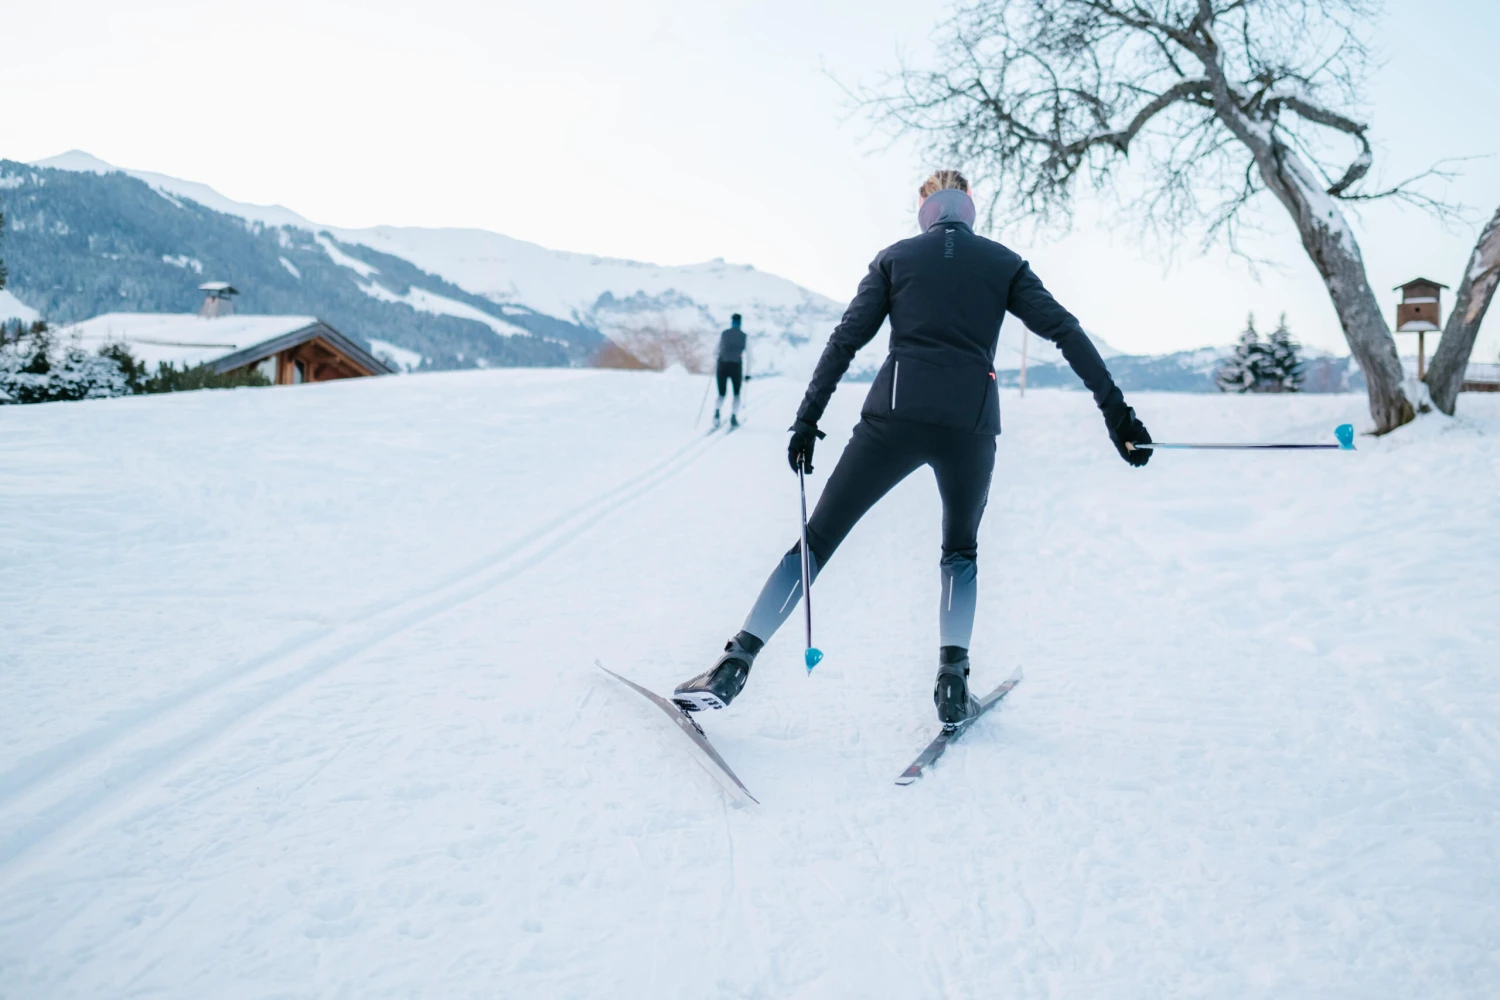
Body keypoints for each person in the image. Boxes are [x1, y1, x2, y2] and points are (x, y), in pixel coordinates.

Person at [673, 169, 1152, 724]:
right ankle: (952, 681)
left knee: (818, 540)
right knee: (960, 551)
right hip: (971, 424)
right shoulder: (1003, 263)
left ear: (924, 206)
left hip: (892, 418)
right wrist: (1118, 414)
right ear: (968, 203)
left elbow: (845, 340)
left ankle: (735, 662)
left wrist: (807, 419)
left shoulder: (896, 259)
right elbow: (1065, 330)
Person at [712, 313, 751, 429]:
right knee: (736, 393)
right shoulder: (744, 336)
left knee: (721, 393)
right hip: (736, 366)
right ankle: (733, 417)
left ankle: (717, 413)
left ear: (731, 321)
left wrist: (720, 358)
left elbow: (715, 352)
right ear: (740, 322)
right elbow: (750, 356)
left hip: (722, 365)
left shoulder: (724, 334)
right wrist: (747, 374)